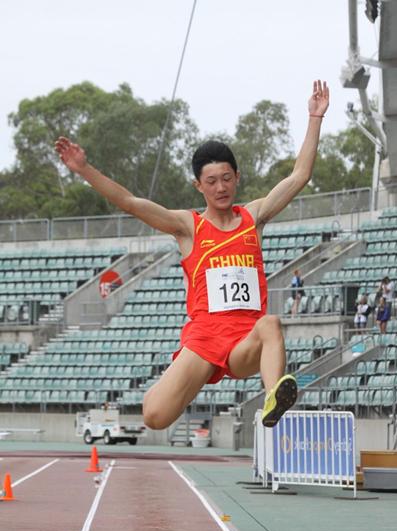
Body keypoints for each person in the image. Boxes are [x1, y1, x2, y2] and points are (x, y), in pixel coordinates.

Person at [55, 80, 329, 430]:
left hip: (246, 340)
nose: (221, 187)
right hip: (205, 337)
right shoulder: (188, 227)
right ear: (199, 185)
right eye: (211, 181)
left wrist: (314, 117)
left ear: (237, 178)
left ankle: (274, 398)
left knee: (271, 324)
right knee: (154, 417)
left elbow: (299, 176)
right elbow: (130, 203)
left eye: (227, 178)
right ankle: (185, 379)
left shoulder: (254, 217)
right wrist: (84, 170)